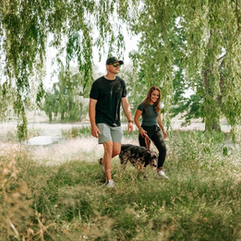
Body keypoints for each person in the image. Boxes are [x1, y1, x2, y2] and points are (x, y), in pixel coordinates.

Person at [89, 56, 133, 188]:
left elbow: (125, 103)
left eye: (119, 65)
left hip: (116, 122)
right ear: (107, 66)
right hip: (102, 120)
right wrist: (93, 125)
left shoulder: (121, 83)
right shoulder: (98, 84)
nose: (117, 66)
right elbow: (92, 105)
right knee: (108, 147)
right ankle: (109, 180)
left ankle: (103, 162)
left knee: (116, 150)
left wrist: (130, 120)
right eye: (115, 64)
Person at [134, 86, 168, 179]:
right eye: (154, 94)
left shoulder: (157, 106)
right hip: (145, 131)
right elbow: (135, 119)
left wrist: (163, 129)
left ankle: (159, 171)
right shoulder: (142, 105)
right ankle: (142, 174)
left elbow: (159, 119)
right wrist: (140, 129)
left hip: (155, 130)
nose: (155, 97)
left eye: (157, 95)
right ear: (149, 94)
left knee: (163, 149)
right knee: (144, 153)